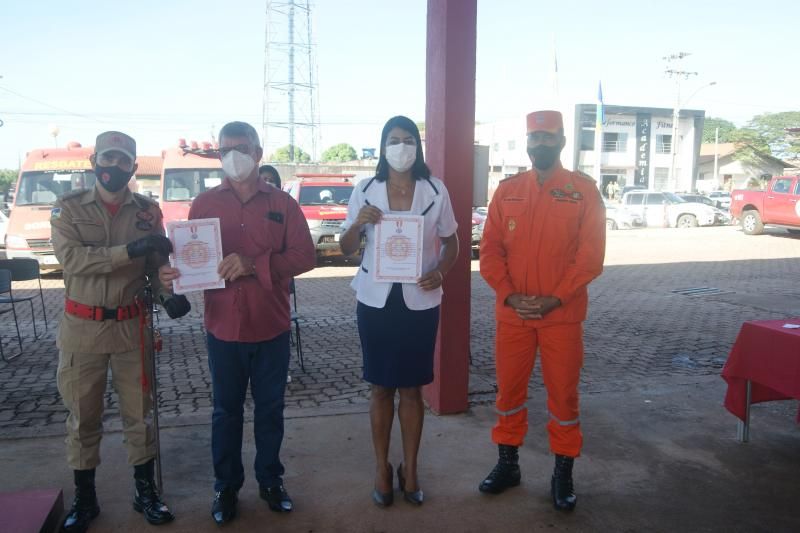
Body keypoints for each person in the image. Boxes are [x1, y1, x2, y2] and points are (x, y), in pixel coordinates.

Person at [159, 121, 315, 526]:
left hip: (271, 325)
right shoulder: (204, 205)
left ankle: (270, 482)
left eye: (241, 147)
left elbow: (305, 258)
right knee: (225, 412)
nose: (233, 155)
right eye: (225, 149)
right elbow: (189, 260)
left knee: (270, 411)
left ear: (258, 153)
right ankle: (225, 487)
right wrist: (174, 273)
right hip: (223, 328)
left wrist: (254, 265)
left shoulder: (283, 203)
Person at [52, 131, 191, 532]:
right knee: (83, 417)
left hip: (132, 327)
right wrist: (127, 250)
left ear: (133, 166)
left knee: (140, 414)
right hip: (83, 330)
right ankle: (85, 497)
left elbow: (154, 266)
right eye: (107, 159)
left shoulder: (147, 211)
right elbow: (72, 260)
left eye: (122, 161)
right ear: (95, 160)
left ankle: (145, 491)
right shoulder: (69, 209)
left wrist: (167, 295)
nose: (113, 167)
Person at [478, 110, 605, 512]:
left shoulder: (583, 190)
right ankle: (508, 465)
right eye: (534, 138)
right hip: (513, 314)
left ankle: (562, 472)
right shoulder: (508, 190)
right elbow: (491, 251)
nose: (540, 145)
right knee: (509, 393)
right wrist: (510, 295)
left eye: (547, 138)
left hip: (561, 317)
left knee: (563, 398)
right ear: (527, 142)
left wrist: (556, 297)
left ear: (562, 140)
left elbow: (590, 256)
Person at [339, 116, 459, 507]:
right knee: (379, 387)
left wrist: (440, 271)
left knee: (412, 387)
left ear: (418, 147)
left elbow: (452, 241)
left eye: (409, 140)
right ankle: (380, 468)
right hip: (375, 300)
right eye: (394, 140)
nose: (401, 147)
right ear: (383, 145)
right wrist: (358, 223)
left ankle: (411, 468)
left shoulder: (435, 190)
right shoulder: (365, 189)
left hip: (419, 302)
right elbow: (345, 248)